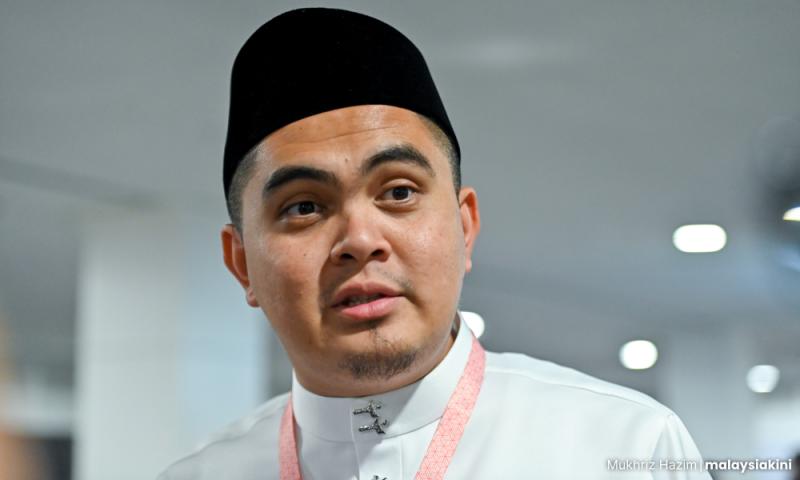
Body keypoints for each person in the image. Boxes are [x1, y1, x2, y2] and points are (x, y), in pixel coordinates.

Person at [159, 7, 710, 480]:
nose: (360, 240)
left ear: (465, 226)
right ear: (242, 264)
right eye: (304, 207)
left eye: (398, 192)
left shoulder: (627, 446)